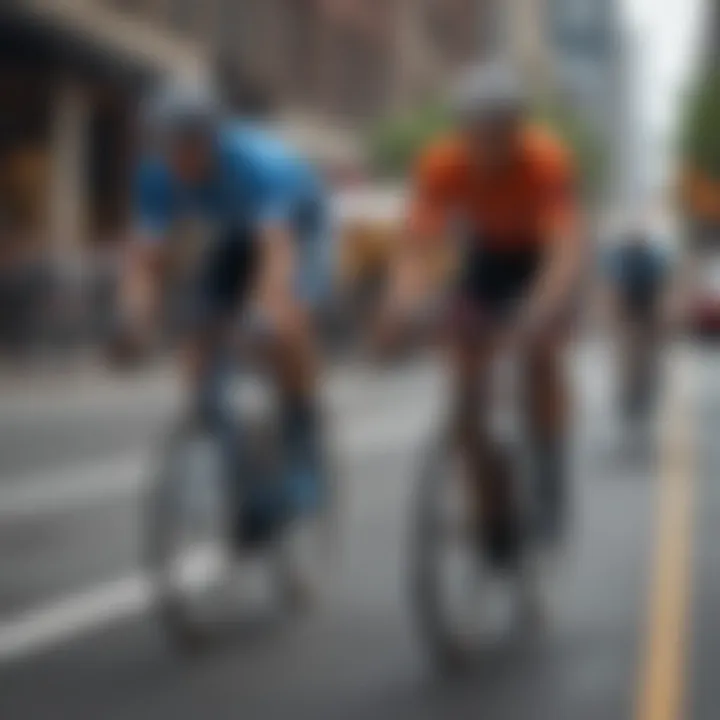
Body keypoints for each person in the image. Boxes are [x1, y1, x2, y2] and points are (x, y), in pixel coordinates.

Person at [378, 63, 583, 565]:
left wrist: (540, 310)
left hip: (540, 258)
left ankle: (549, 463)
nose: (489, 142)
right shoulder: (441, 163)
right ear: (462, 129)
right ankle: (492, 511)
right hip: (489, 258)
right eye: (478, 129)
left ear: (518, 127)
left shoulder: (545, 158)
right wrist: (401, 303)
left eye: (501, 130)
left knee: (539, 355)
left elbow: (563, 248)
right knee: (466, 392)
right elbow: (418, 244)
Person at [120, 79, 331, 543]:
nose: (178, 159)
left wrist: (266, 312)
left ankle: (302, 439)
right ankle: (237, 463)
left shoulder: (257, 165)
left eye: (188, 146)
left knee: (284, 325)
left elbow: (277, 255)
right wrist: (133, 318)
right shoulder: (156, 175)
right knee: (200, 340)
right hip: (237, 237)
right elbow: (145, 260)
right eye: (168, 146)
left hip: (299, 229)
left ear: (211, 139)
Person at [602, 217, 675, 418]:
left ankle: (643, 378)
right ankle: (629, 383)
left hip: (647, 301)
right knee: (628, 344)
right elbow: (613, 286)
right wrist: (612, 313)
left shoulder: (652, 256)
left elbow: (662, 287)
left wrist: (663, 314)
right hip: (628, 301)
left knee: (644, 345)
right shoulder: (620, 256)